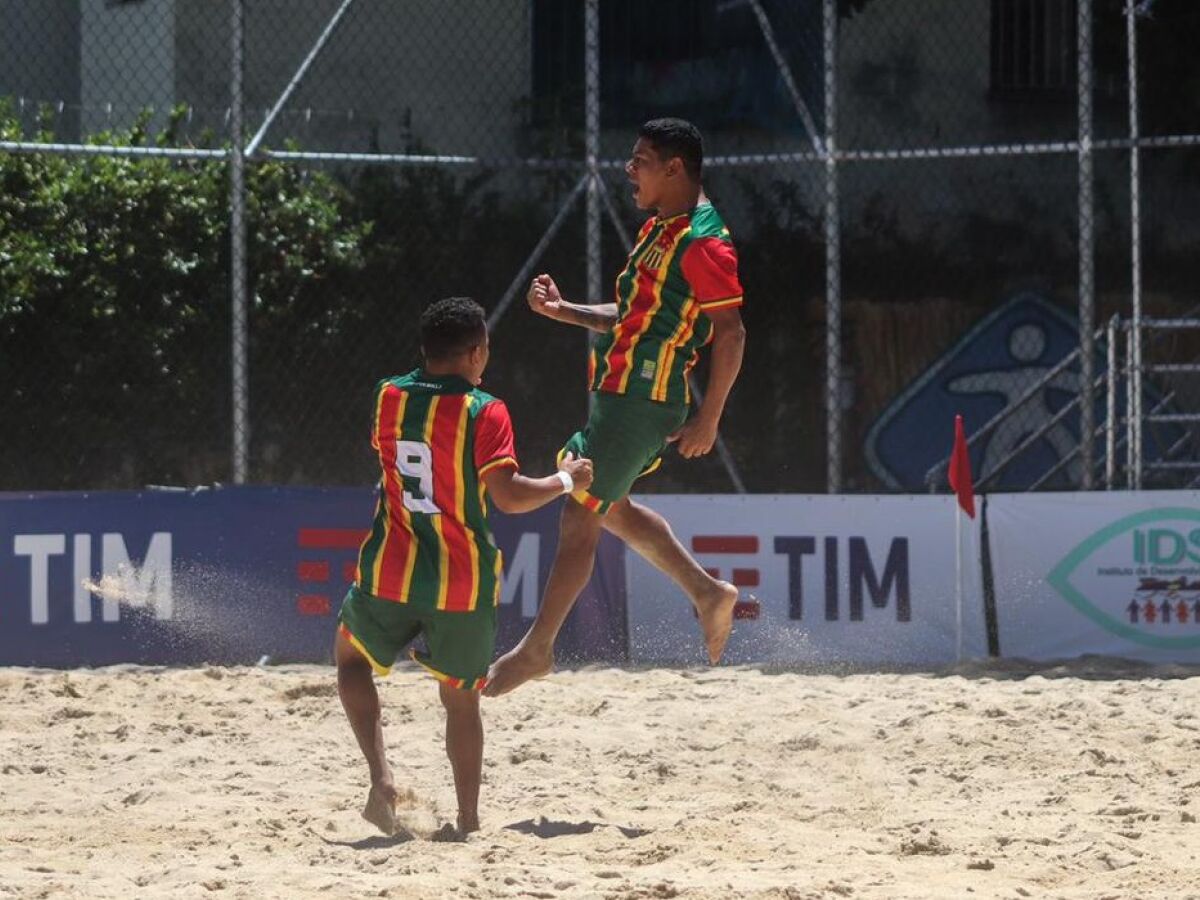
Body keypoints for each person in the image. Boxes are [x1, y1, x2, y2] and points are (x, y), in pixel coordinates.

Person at [486, 118, 747, 697]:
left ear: (674, 168)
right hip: (621, 396)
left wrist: (710, 417)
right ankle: (708, 593)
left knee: (580, 514)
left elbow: (731, 333)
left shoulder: (703, 240)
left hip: (643, 401)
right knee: (612, 509)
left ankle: (538, 649)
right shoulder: (663, 227)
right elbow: (634, 316)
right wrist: (567, 311)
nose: (628, 169)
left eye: (641, 159)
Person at [334, 297, 593, 837]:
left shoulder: (388, 396)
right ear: (475, 351)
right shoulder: (485, 409)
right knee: (460, 701)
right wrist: (567, 479)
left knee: (350, 660)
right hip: (461, 580)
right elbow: (512, 498)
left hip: (391, 565)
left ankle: (382, 781)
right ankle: (469, 821)